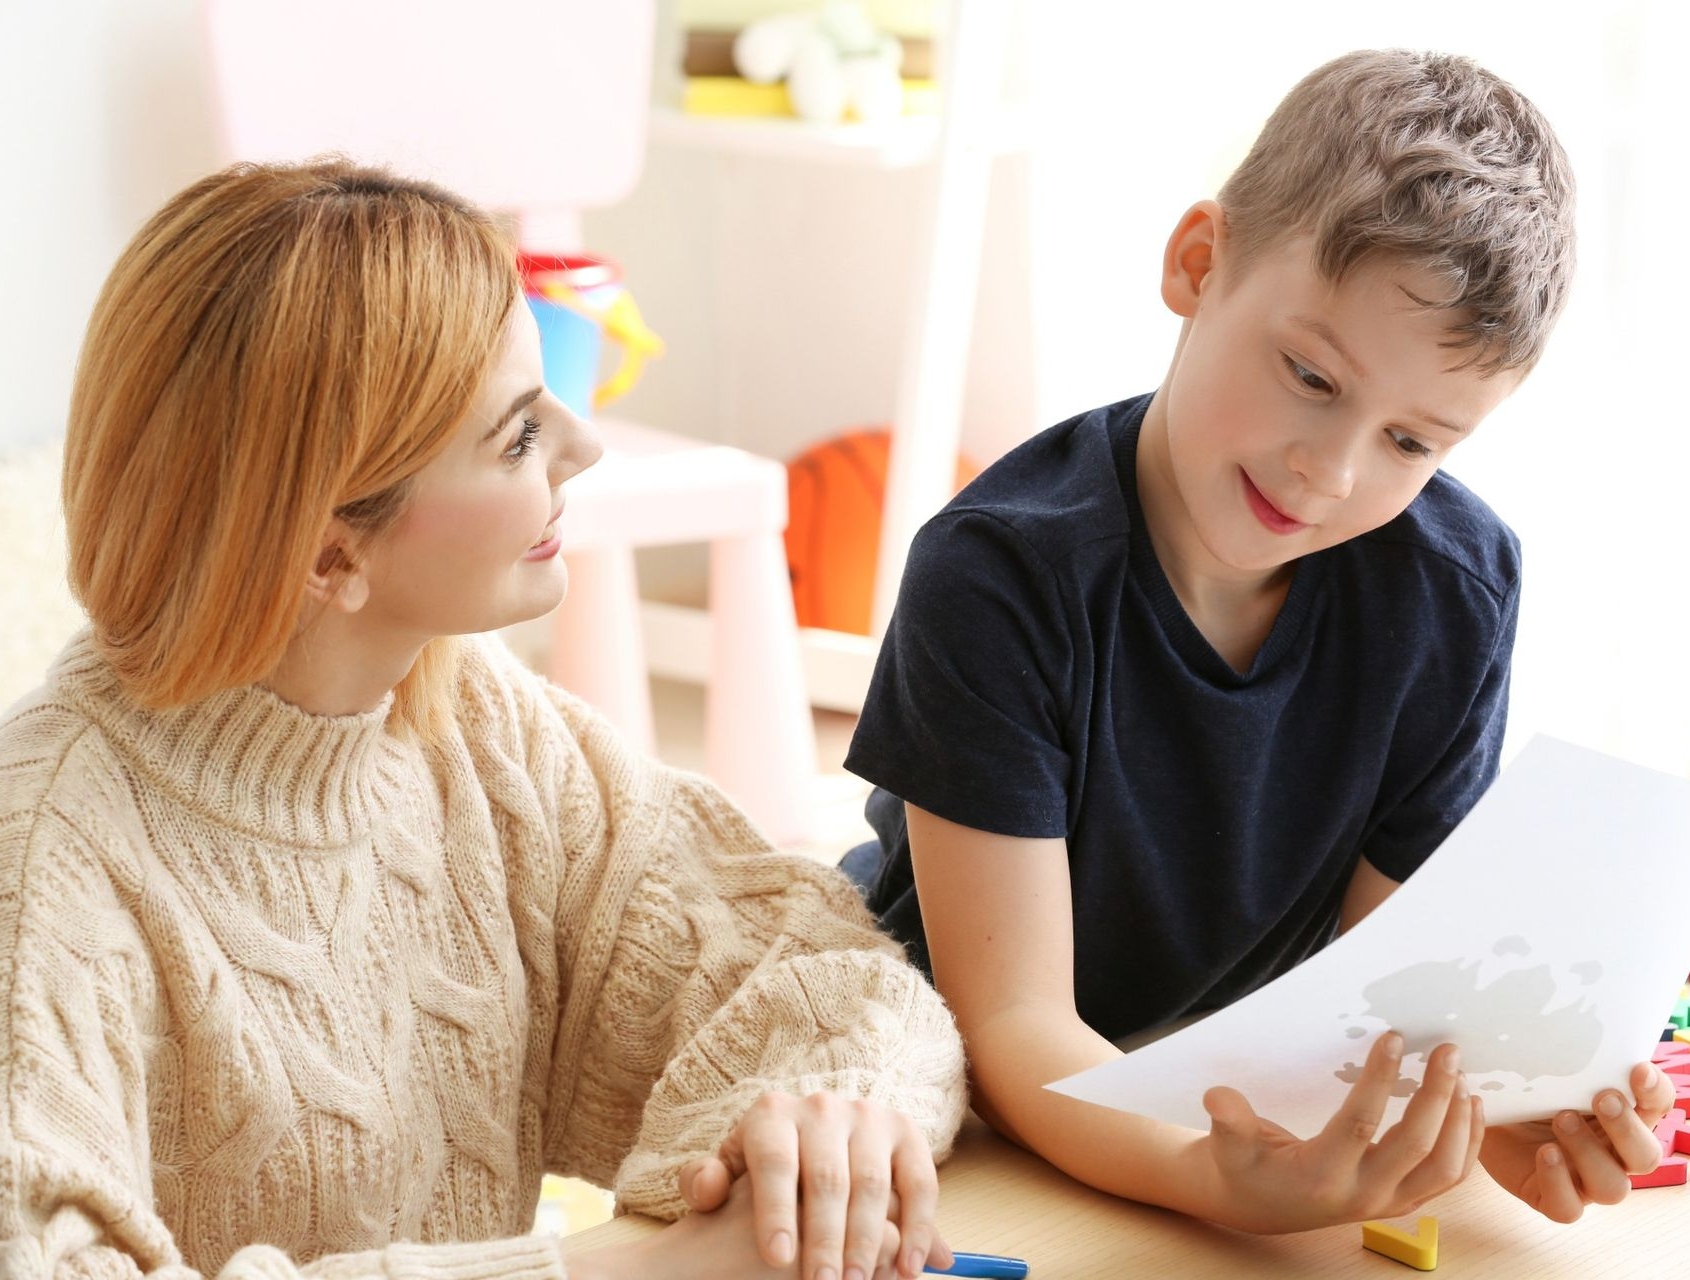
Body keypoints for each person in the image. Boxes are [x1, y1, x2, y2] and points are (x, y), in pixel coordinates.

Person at [0, 159, 968, 1280]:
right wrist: (625, 1272)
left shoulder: (476, 724)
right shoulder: (42, 872)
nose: (584, 445)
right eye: (517, 435)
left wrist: (825, 1125)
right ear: (330, 554)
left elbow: (829, 975)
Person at [841, 49, 1672, 1232]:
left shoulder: (1454, 587)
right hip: (965, 1081)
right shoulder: (998, 573)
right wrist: (1206, 1175)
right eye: (1309, 375)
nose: (1328, 471)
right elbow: (1013, 1022)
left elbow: (1380, 992)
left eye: (1412, 442)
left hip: (1215, 1072)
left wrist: (1494, 1106)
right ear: (1197, 264)